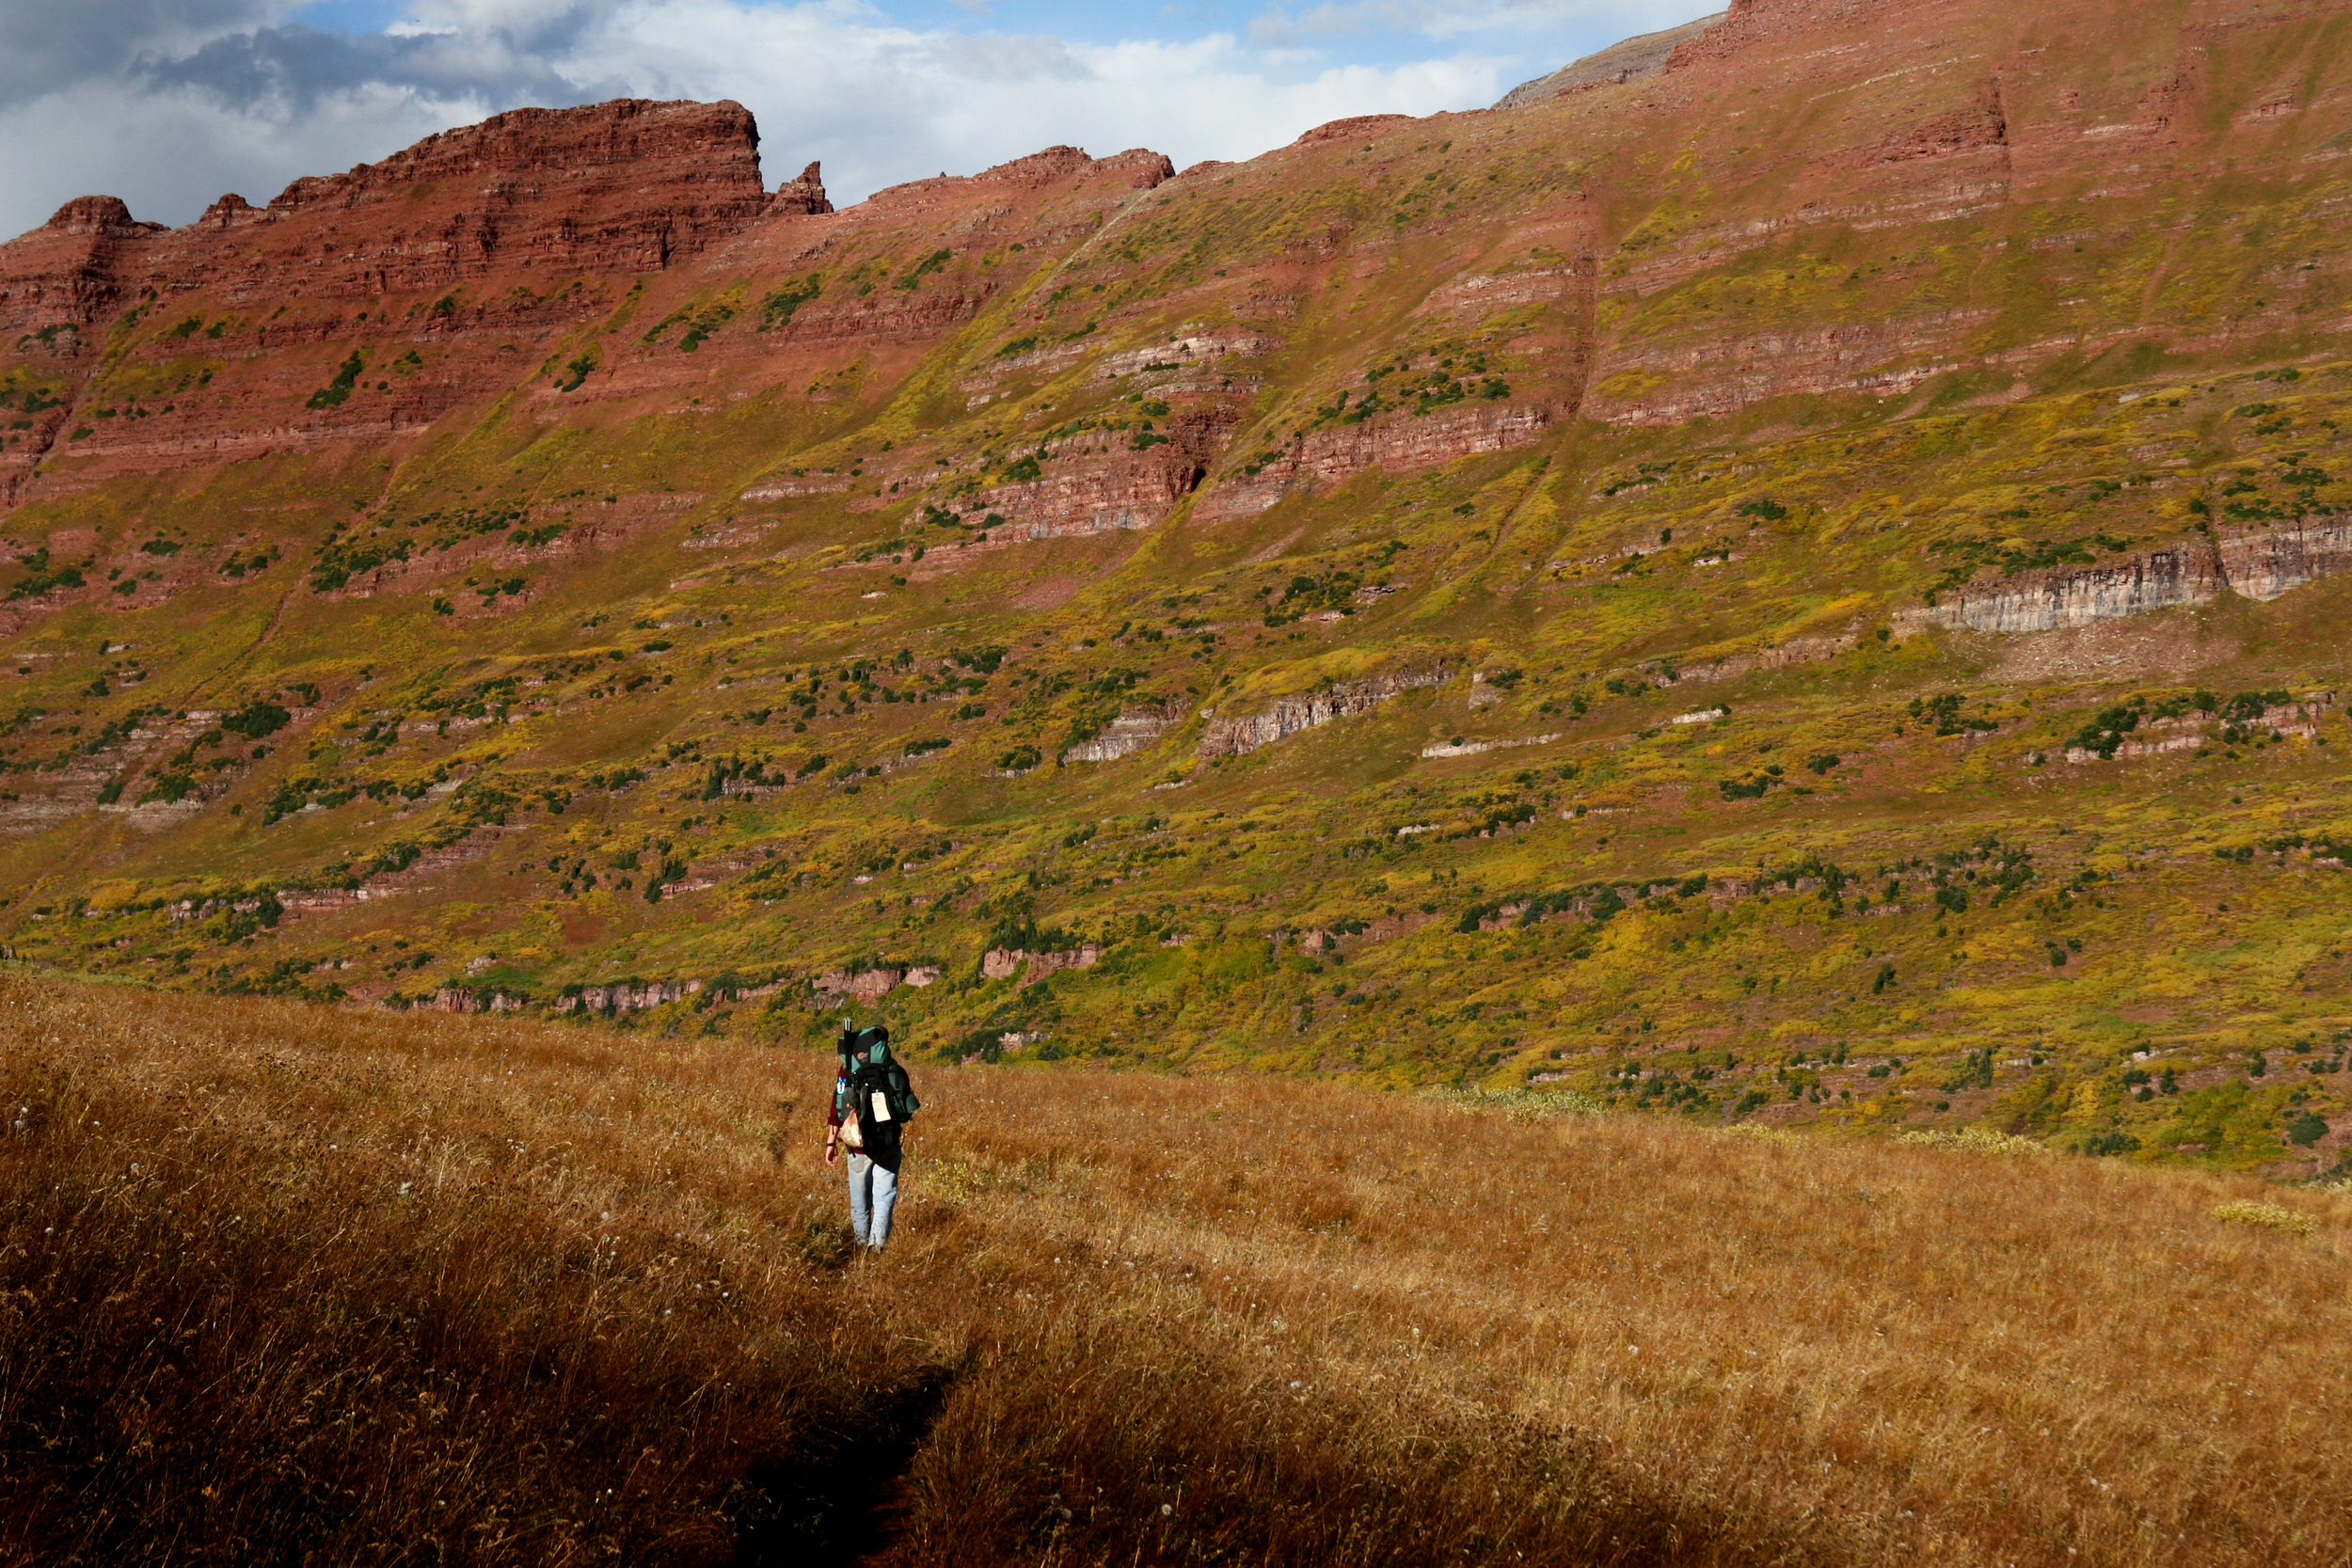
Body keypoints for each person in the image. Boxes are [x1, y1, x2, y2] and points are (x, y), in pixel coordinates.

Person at [823, 1021, 920, 1253]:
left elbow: (837, 1109)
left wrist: (831, 1141)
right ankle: (876, 1247)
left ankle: (859, 1244)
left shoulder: (847, 1071)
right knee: (884, 1198)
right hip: (888, 1143)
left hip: (857, 1145)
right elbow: (906, 1110)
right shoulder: (893, 1069)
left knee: (860, 1200)